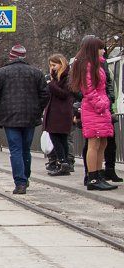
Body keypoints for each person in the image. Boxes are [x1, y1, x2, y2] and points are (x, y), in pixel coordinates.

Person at [0, 44, 49, 194]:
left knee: (15, 149)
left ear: (11, 57)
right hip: (30, 117)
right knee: (25, 149)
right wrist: (37, 110)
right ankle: (25, 177)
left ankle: (20, 183)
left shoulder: (1, 73)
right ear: (24, 56)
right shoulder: (36, 73)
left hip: (9, 118)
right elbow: (45, 95)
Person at [69, 36, 116, 191]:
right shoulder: (87, 66)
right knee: (94, 143)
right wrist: (101, 104)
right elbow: (88, 89)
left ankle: (98, 174)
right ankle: (93, 177)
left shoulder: (95, 65)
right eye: (101, 48)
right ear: (93, 49)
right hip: (94, 108)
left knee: (102, 142)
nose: (103, 51)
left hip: (100, 108)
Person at [43, 54, 74, 176]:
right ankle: (63, 163)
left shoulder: (67, 77)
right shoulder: (57, 77)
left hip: (60, 112)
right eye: (50, 65)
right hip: (56, 111)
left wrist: (50, 84)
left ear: (61, 64)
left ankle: (63, 162)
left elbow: (64, 93)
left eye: (54, 65)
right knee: (60, 138)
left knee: (58, 137)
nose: (52, 68)